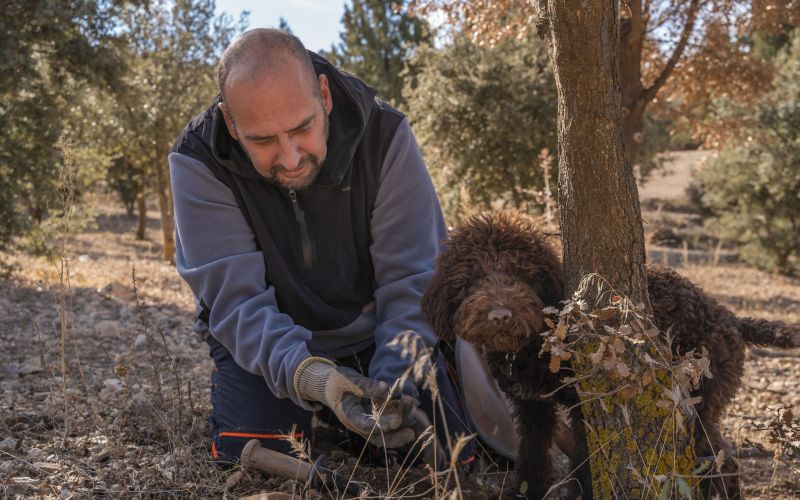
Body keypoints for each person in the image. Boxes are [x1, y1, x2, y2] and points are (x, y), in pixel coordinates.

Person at [168, 28, 474, 464]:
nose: (290, 157)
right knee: (259, 454)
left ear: (325, 96)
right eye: (263, 140)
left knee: (435, 454)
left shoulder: (385, 135)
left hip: (375, 332)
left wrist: (390, 390)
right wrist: (314, 379)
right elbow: (236, 304)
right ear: (231, 124)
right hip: (267, 343)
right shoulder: (197, 160)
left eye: (302, 128)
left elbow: (412, 279)